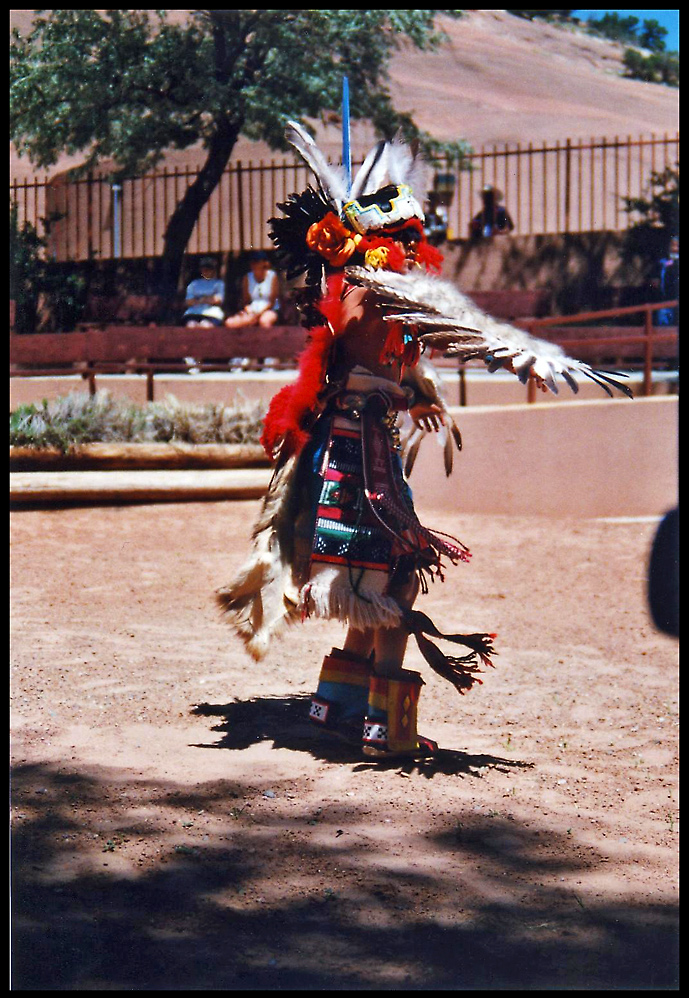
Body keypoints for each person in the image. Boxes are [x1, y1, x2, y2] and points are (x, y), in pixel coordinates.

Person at [216, 122, 631, 761]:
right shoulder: (378, 295)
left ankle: (337, 705)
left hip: (351, 444)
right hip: (358, 450)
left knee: (369, 577)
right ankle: (385, 725)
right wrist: (514, 358)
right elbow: (396, 346)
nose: (418, 251)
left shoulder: (354, 294)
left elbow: (386, 363)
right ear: (387, 245)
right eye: (410, 241)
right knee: (397, 573)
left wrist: (418, 389)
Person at [224, 251, 281, 368]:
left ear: (264, 263)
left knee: (265, 322)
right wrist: (249, 311)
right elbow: (246, 300)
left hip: (269, 309)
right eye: (253, 262)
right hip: (253, 309)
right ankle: (240, 356)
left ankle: (269, 357)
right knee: (232, 323)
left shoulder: (272, 276)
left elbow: (272, 300)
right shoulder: (247, 277)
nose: (254, 265)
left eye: (257, 262)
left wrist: (258, 314)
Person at [182, 256, 225, 372]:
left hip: (212, 314)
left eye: (209, 269)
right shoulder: (194, 284)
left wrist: (199, 299)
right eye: (205, 268)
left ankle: (198, 361)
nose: (207, 271)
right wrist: (207, 298)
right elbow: (189, 301)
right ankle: (192, 358)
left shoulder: (218, 283)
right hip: (194, 313)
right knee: (191, 327)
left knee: (204, 327)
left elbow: (218, 299)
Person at [654, 236, 679, 326]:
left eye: (677, 246)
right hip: (664, 300)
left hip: (676, 300)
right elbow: (656, 278)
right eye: (672, 245)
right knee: (663, 325)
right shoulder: (663, 261)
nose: (674, 248)